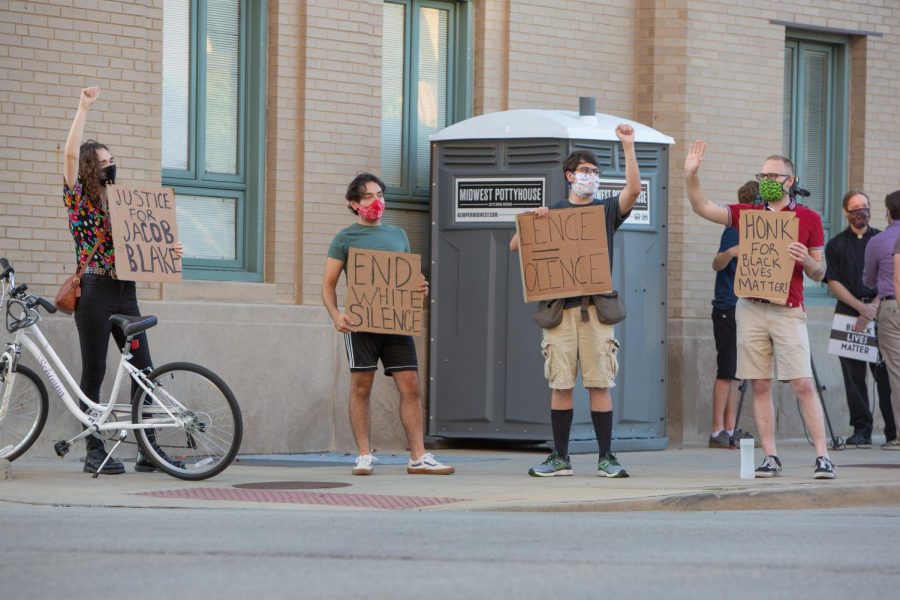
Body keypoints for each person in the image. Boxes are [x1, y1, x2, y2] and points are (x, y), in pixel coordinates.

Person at [684, 140, 836, 479]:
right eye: (763, 174)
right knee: (760, 384)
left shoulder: (808, 218)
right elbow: (702, 207)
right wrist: (691, 176)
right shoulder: (747, 214)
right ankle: (771, 456)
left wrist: (807, 261)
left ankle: (823, 456)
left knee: (803, 384)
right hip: (750, 308)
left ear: (790, 181)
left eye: (774, 175)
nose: (767, 180)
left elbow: (821, 271)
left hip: (788, 309)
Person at [63, 87, 183, 474]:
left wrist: (168, 253)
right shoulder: (79, 201)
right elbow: (67, 154)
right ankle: (94, 450)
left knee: (145, 371)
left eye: (112, 160)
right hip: (95, 293)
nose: (110, 166)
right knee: (94, 371)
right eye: (103, 162)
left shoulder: (123, 203)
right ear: (88, 167)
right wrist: (83, 108)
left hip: (125, 292)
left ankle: (148, 449)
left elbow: (143, 244)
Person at [510, 124, 641, 478]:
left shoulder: (606, 211)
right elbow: (514, 245)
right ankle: (560, 458)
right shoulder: (553, 211)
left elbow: (634, 190)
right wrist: (536, 224)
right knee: (560, 385)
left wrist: (628, 147)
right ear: (569, 176)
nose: (591, 177)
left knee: (600, 384)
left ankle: (606, 457)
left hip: (597, 310)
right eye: (585, 171)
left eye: (596, 172)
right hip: (560, 312)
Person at [322, 172, 454, 476]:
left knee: (411, 386)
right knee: (361, 387)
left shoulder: (399, 235)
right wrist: (336, 314)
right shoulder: (345, 238)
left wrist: (420, 287)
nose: (376, 200)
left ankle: (418, 457)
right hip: (360, 324)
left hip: (396, 324)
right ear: (354, 203)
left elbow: (407, 279)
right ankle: (365, 455)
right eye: (368, 196)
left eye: (380, 194)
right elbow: (328, 284)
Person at [825, 190, 895, 448]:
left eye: (865, 207)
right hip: (848, 314)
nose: (861, 213)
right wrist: (859, 308)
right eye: (855, 209)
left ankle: (893, 430)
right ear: (846, 212)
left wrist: (873, 307)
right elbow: (833, 281)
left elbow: (889, 278)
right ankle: (862, 429)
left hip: (880, 311)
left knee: (886, 375)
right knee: (853, 377)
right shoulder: (836, 244)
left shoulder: (882, 239)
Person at [707, 180, 757, 448]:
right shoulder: (734, 229)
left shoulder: (757, 231)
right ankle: (717, 430)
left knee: (737, 371)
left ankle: (730, 426)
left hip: (746, 306)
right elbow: (717, 263)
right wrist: (731, 252)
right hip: (728, 306)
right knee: (726, 368)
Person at [863, 190, 900, 450]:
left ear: (888, 211)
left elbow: (868, 280)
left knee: (897, 376)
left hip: (891, 307)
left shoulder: (878, 240)